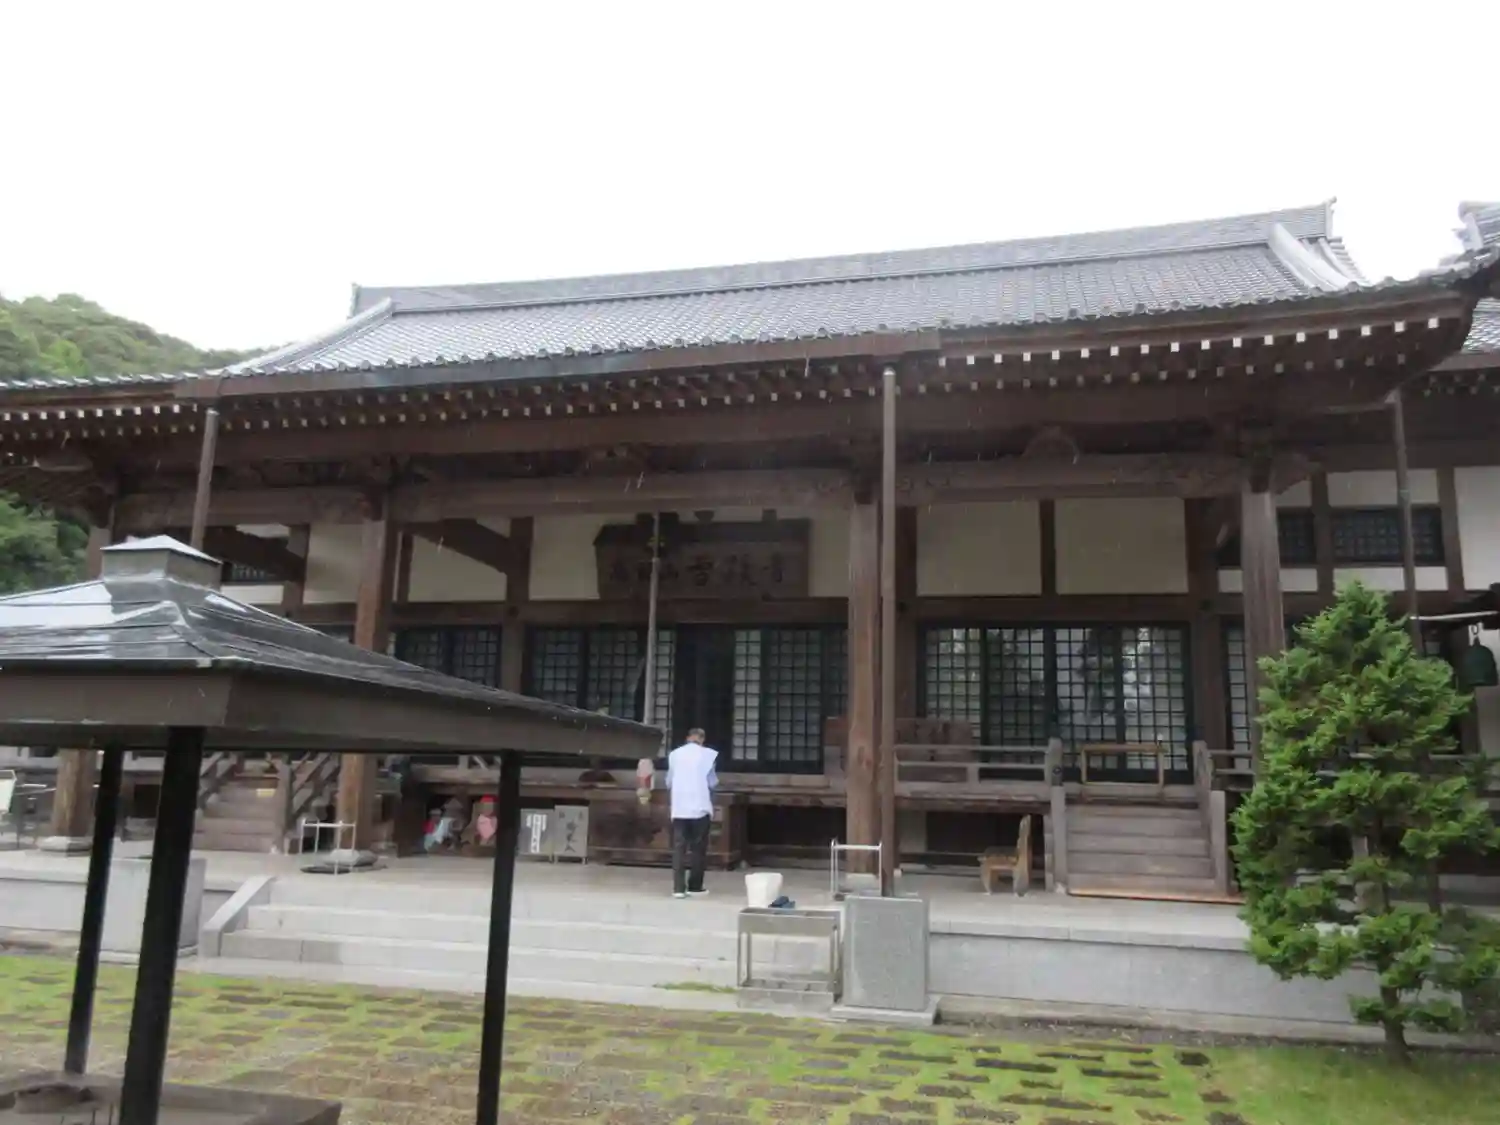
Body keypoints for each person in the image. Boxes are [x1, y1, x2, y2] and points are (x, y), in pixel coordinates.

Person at [666, 728, 718, 898]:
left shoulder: (674, 755)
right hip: (700, 807)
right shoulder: (708, 755)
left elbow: (668, 782)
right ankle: (695, 886)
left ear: (687, 738)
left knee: (679, 848)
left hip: (679, 807)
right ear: (702, 739)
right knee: (698, 849)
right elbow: (712, 782)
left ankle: (678, 888)